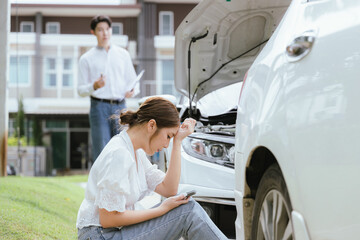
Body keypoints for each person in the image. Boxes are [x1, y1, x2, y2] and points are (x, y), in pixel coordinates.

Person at [76, 97, 228, 240]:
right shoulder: (119, 154)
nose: (166, 145)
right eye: (168, 136)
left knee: (186, 206)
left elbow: (169, 190)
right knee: (187, 211)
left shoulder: (135, 152)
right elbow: (108, 218)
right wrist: (161, 209)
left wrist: (178, 142)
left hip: (110, 233)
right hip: (101, 236)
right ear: (151, 125)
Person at [77, 15, 138, 161]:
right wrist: (94, 86)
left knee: (123, 148)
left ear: (111, 30)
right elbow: (80, 90)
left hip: (121, 106)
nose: (105, 33)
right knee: (102, 150)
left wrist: (133, 90)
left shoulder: (123, 54)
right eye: (100, 30)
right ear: (93, 32)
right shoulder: (87, 58)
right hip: (99, 107)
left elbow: (133, 81)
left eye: (107, 29)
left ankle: (121, 182)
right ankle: (101, 184)